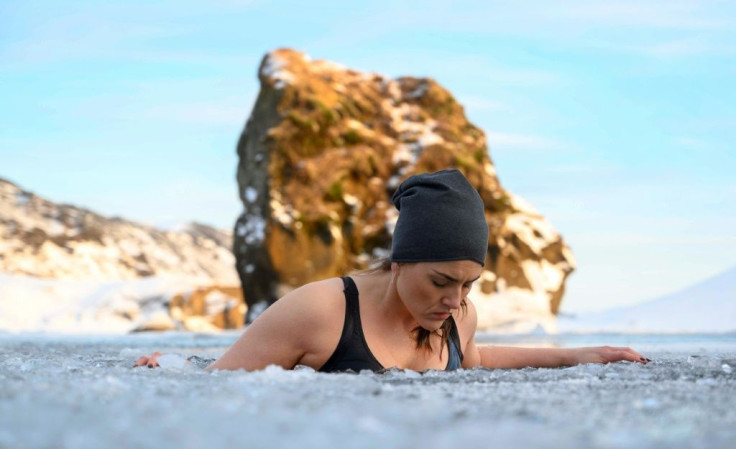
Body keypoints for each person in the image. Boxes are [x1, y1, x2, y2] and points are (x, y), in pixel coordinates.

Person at [135, 169, 649, 372]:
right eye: (441, 281)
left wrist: (580, 356)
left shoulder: (460, 315)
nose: (455, 300)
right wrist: (169, 371)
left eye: (469, 283)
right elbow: (218, 382)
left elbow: (475, 358)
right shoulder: (320, 311)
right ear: (400, 261)